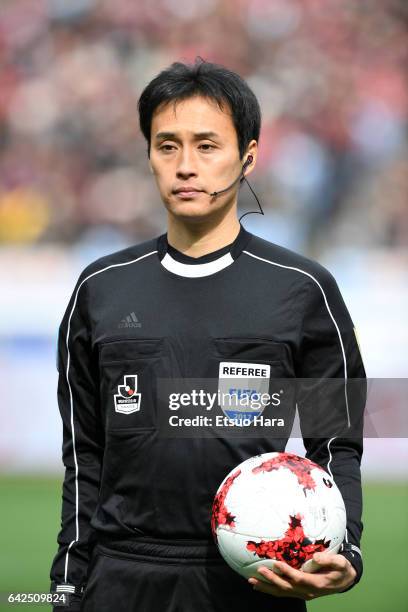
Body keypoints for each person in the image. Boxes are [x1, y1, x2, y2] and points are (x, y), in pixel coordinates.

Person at [49, 57, 366, 611]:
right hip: (121, 579)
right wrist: (66, 588)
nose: (185, 166)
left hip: (254, 581)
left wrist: (347, 553)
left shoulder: (303, 289)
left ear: (247, 156)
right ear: (148, 154)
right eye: (167, 145)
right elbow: (84, 458)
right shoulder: (100, 288)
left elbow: (335, 443)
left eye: (207, 145)